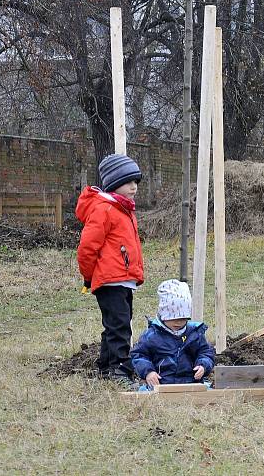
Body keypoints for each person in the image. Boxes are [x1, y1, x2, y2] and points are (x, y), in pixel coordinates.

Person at [76, 154, 145, 380]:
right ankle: (119, 372)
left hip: (123, 279)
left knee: (115, 325)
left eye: (136, 182)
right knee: (120, 327)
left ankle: (106, 368)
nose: (134, 187)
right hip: (110, 280)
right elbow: (87, 248)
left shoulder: (124, 210)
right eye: (128, 182)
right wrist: (88, 277)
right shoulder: (104, 209)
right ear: (115, 184)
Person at [131, 279, 215, 388]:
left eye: (183, 318)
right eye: (173, 318)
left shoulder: (194, 334)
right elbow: (139, 355)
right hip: (160, 385)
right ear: (164, 315)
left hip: (191, 385)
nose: (179, 322)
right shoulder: (152, 335)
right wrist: (148, 372)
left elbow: (206, 352)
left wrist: (203, 365)